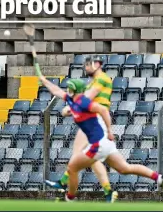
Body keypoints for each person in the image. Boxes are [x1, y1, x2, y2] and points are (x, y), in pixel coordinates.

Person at [38, 76, 163, 202]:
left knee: (72, 167)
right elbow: (56, 91)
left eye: (70, 89)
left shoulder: (84, 102)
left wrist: (109, 130)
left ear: (75, 90)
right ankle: (159, 178)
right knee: (124, 168)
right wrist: (44, 80)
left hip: (98, 145)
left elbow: (102, 110)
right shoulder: (72, 100)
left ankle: (68, 197)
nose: (68, 91)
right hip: (105, 144)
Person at [45, 55, 116, 202]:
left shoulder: (101, 79)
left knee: (78, 153)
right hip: (93, 117)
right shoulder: (94, 81)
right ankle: (108, 191)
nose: (86, 67)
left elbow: (87, 99)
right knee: (93, 159)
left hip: (95, 119)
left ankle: (64, 184)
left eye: (89, 65)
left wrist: (69, 109)